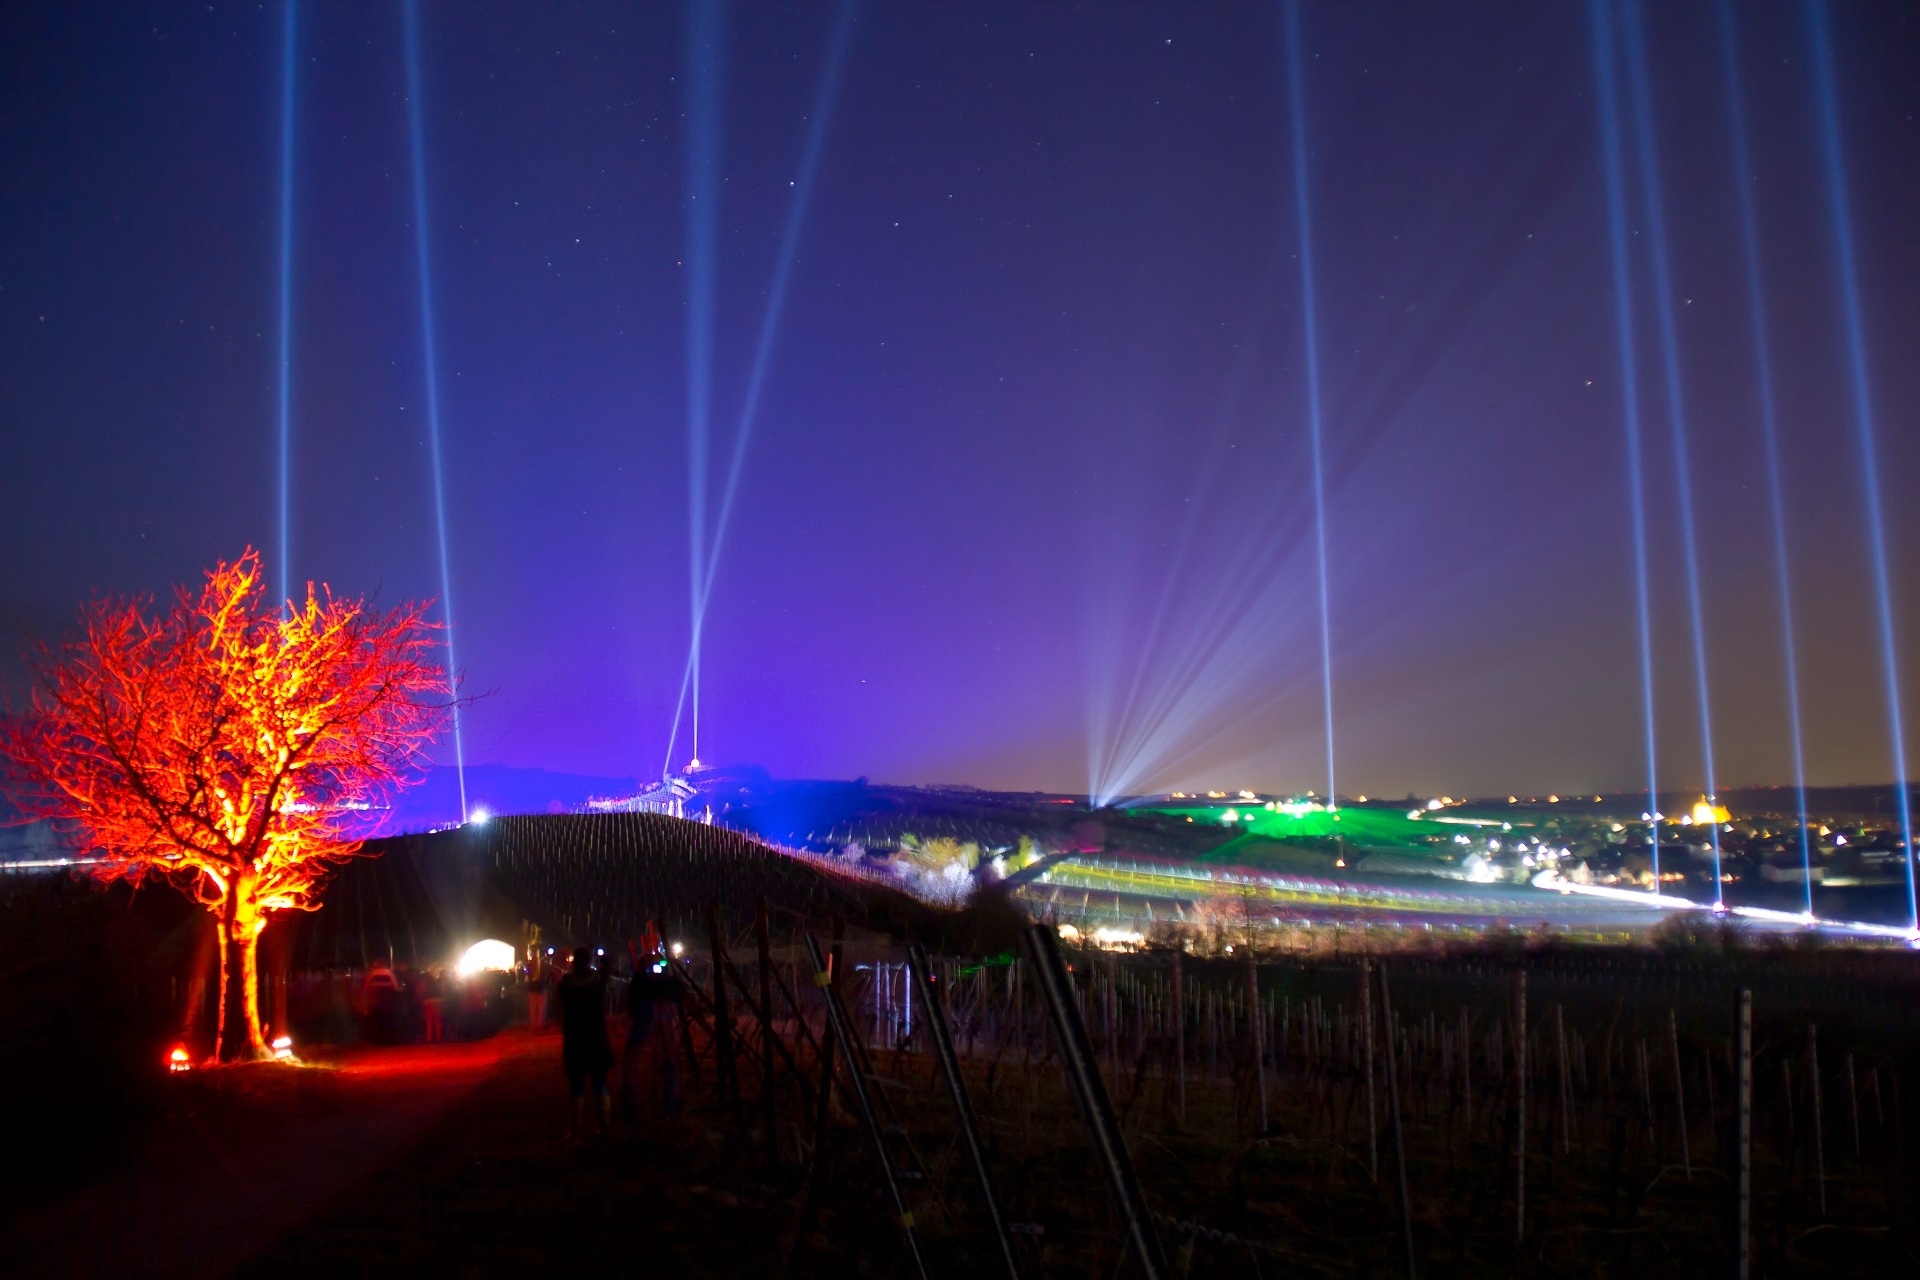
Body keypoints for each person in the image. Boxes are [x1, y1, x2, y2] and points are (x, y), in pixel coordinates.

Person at [622, 935, 683, 1125]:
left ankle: (632, 1106)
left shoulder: (640, 980)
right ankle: (669, 1106)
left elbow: (632, 1005)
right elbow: (679, 997)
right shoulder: (667, 980)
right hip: (668, 1015)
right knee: (669, 1061)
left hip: (648, 1014)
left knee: (632, 1061)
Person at [557, 946, 614, 1140]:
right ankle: (604, 1127)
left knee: (576, 1084)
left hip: (575, 1038)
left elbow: (560, 1004)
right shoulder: (599, 982)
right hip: (596, 1036)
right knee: (600, 1083)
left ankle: (576, 1129)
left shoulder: (566, 984)